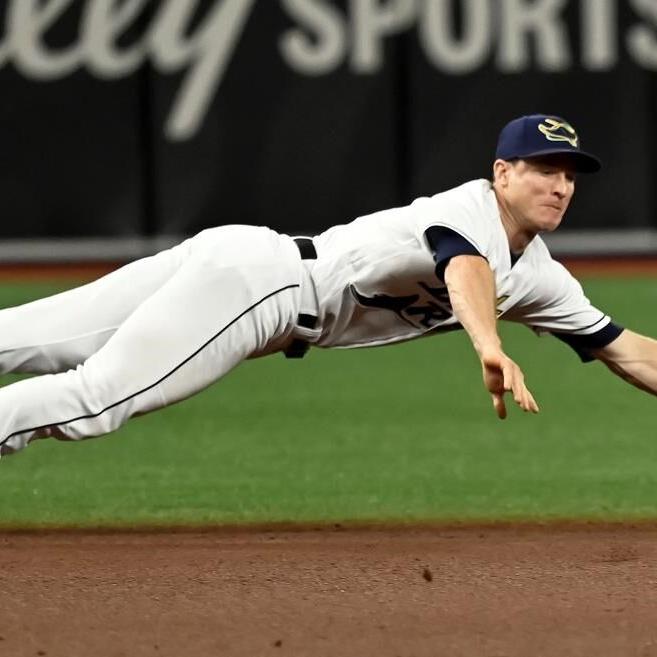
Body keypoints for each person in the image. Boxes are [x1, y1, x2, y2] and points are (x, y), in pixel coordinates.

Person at [1, 113, 656, 458]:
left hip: (246, 259)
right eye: (544, 169)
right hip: (266, 290)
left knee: (32, 340)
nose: (560, 186)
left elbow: (626, 349)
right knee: (94, 398)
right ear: (501, 173)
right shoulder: (470, 209)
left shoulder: (543, 277)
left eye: (570, 174)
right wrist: (487, 343)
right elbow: (465, 271)